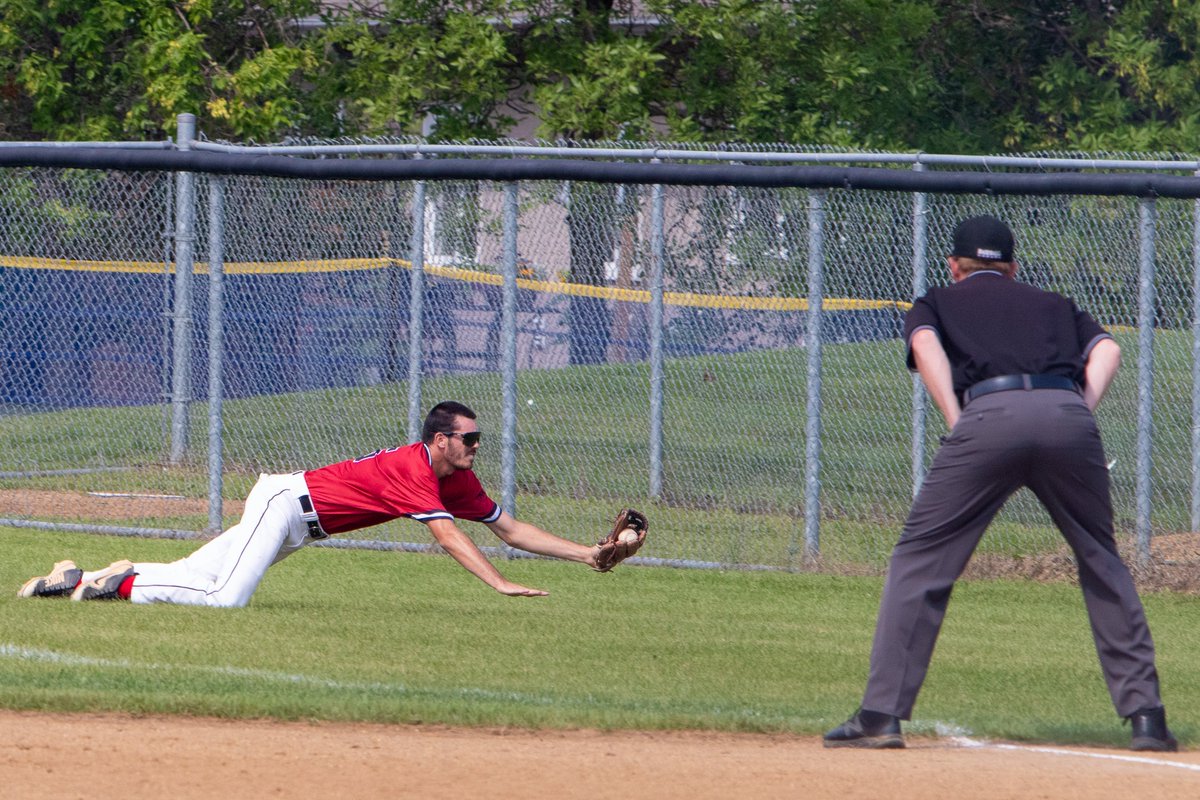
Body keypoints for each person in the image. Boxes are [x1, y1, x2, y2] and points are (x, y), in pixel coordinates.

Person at [823, 216, 1176, 752]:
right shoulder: (1056, 303)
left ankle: (880, 716)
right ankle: (1147, 719)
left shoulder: (937, 300)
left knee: (921, 558)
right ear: (1013, 268)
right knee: (1101, 558)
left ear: (954, 266)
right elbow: (1109, 352)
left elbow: (926, 347)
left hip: (989, 413)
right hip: (1067, 414)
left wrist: (956, 419)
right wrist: (1076, 410)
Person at [19, 401, 614, 606]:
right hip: (285, 501)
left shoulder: (455, 480)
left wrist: (588, 554)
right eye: (470, 439)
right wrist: (498, 585)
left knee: (194, 576)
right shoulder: (415, 468)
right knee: (226, 597)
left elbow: (509, 530)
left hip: (302, 524)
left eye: (480, 439)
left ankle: (74, 580)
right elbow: (449, 537)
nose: (478, 447)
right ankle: (118, 585)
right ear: (441, 440)